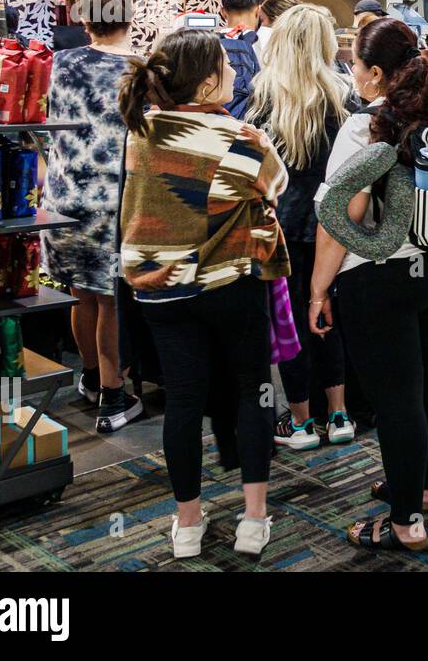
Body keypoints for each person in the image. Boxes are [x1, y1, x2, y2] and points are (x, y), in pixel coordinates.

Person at [118, 28, 289, 559]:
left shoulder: (140, 129)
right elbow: (274, 184)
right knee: (252, 391)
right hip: (227, 285)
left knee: (184, 403)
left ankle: (188, 523)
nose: (238, 70)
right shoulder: (240, 138)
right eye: (228, 65)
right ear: (210, 80)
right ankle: (253, 517)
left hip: (158, 291)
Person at [308, 17, 428, 552]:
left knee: (398, 398)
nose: (351, 72)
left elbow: (342, 217)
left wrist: (318, 289)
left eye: (354, 63)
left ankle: (405, 523)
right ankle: (419, 490)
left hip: (382, 278)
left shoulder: (366, 127)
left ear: (375, 73)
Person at [245, 3, 367, 451]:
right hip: (335, 226)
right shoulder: (346, 97)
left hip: (280, 227)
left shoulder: (262, 96)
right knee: (328, 316)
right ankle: (339, 415)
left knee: (290, 323)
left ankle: (298, 423)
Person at [41, 0, 143, 433]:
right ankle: (114, 397)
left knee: (80, 292)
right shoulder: (140, 71)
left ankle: (88, 377)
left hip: (62, 199)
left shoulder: (57, 63)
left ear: (85, 19)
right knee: (109, 300)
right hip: (113, 200)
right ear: (130, 17)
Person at [218, 0, 262, 119]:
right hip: (250, 126)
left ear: (223, 12)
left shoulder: (207, 44)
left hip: (212, 124)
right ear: (258, 10)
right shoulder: (263, 44)